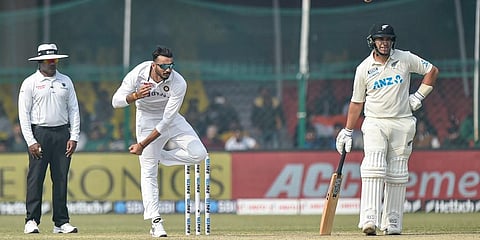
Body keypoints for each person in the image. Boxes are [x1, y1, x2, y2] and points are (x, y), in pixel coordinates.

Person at [335, 24, 439, 235]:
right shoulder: (364, 68)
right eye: (380, 39)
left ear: (393, 41)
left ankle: (392, 221)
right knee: (373, 166)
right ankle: (369, 219)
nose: (384, 43)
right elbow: (357, 102)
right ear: (372, 41)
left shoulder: (405, 58)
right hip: (375, 121)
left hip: (402, 122)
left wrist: (418, 97)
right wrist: (347, 130)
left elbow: (432, 71)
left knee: (398, 173)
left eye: (388, 39)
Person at [111, 46, 208, 238]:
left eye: (171, 65)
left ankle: (158, 156)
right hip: (146, 119)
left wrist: (143, 146)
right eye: (163, 66)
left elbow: (166, 122)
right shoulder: (138, 73)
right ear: (154, 65)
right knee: (148, 172)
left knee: (199, 154)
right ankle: (155, 222)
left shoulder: (178, 82)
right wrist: (136, 96)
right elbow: (116, 102)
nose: (168, 70)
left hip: (170, 119)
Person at [18, 43, 80, 234]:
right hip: (40, 133)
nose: (53, 63)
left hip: (62, 133)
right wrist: (31, 141)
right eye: (49, 60)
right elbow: (23, 114)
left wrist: (74, 135)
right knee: (36, 178)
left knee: (60, 178)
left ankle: (61, 222)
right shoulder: (30, 83)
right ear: (40, 62)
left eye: (55, 59)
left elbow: (74, 110)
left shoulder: (65, 81)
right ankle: (31, 220)